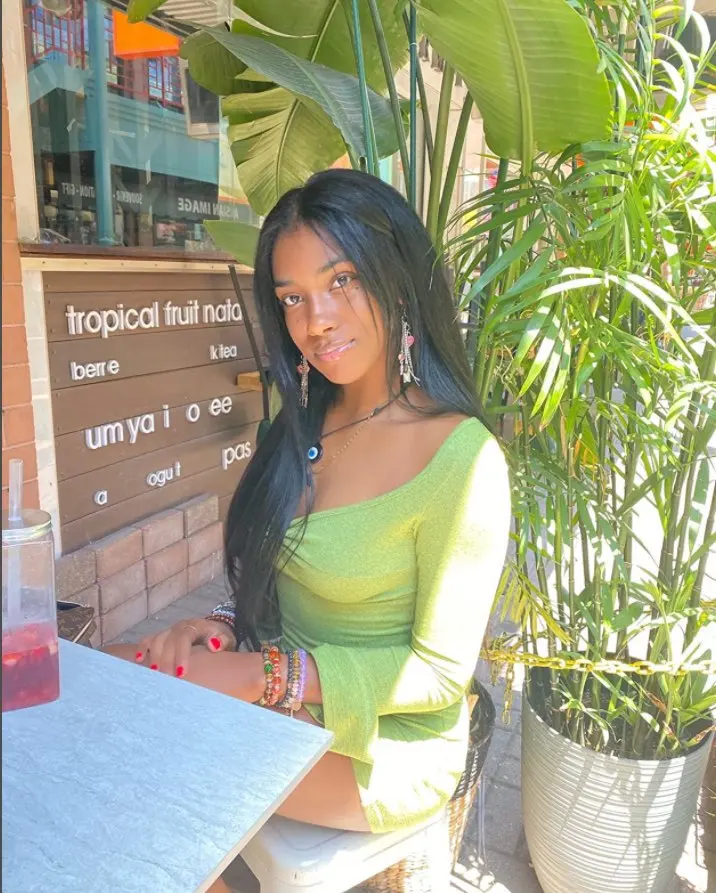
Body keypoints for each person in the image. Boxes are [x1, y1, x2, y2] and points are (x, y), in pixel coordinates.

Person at [107, 169, 510, 888]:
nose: (316, 319)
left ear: (397, 280)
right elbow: (285, 571)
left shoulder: (462, 457)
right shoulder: (303, 422)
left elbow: (438, 674)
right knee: (108, 674)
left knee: (152, 752)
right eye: (292, 297)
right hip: (285, 693)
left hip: (386, 741)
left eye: (342, 280)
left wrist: (263, 676)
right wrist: (221, 626)